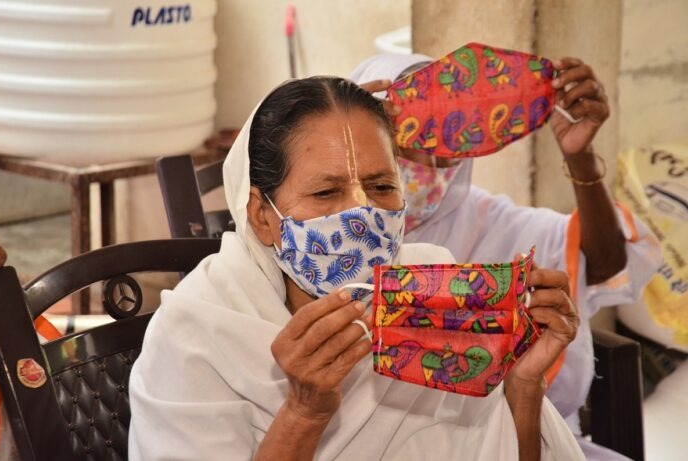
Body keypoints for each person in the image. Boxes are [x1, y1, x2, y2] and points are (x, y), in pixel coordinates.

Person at [129, 77, 585, 460]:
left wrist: (524, 386)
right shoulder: (197, 334)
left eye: (381, 185)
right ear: (262, 216)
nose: (363, 215)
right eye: (327, 194)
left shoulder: (438, 296)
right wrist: (304, 413)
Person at [351, 53, 663, 460]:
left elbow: (606, 264)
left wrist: (580, 157)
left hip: (516, 433)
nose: (428, 164)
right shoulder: (332, 233)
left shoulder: (488, 222)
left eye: (444, 140)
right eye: (408, 138)